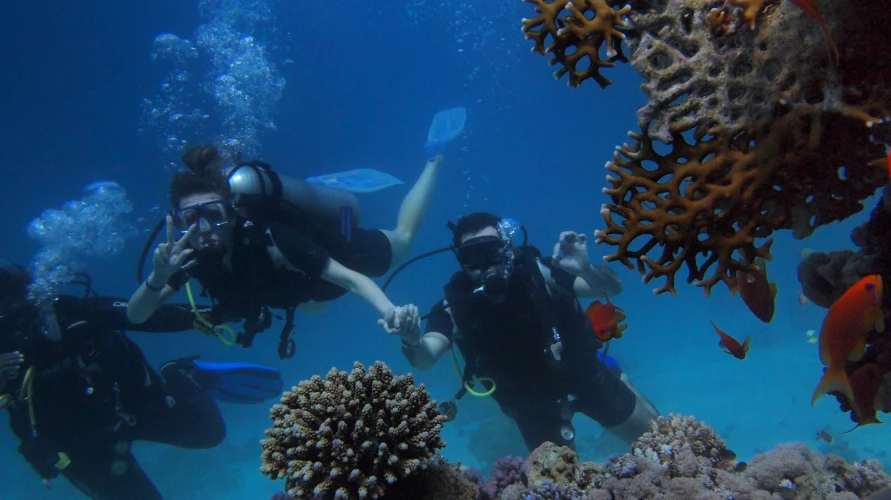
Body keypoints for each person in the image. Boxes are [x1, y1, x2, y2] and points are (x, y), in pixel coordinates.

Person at [127, 144, 438, 357]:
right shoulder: (186, 259)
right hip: (303, 288)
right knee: (313, 306)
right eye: (191, 219)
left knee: (404, 239)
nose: (204, 228)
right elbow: (136, 315)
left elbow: (351, 279)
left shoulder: (273, 238)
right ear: (177, 222)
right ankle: (319, 192)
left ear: (232, 214)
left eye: (213, 214)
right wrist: (158, 277)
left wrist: (389, 311)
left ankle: (433, 158)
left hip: (340, 255)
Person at [395, 212, 660, 451]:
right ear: (460, 260)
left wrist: (587, 270)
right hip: (530, 404)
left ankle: (615, 373)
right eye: (471, 256)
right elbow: (425, 358)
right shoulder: (454, 306)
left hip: (586, 376)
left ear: (508, 248)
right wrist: (412, 340)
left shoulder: (541, 272)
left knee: (659, 444)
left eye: (492, 251)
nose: (484, 264)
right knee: (557, 484)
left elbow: (612, 289)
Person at [0, 263, 251, 500]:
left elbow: (139, 315)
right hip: (80, 446)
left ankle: (177, 373)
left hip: (134, 407)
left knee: (209, 433)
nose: (13, 316)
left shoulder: (71, 312)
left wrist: (211, 315)